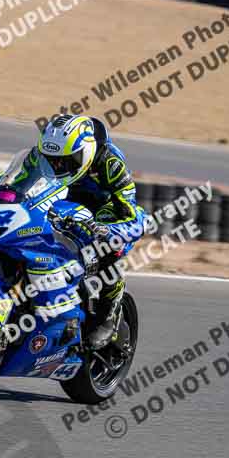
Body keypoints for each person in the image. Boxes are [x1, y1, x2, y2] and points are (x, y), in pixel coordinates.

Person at [24, 114, 144, 350]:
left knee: (107, 245)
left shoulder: (110, 163)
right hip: (66, 202)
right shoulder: (43, 154)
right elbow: (17, 181)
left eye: (65, 161)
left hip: (105, 211)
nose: (57, 167)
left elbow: (132, 216)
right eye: (52, 160)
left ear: (85, 153)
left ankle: (108, 315)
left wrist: (106, 230)